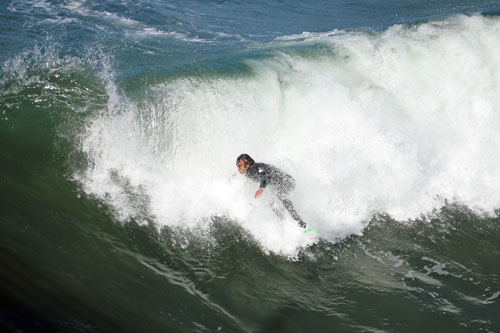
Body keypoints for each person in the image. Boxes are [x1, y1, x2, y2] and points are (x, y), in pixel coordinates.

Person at [236, 153, 306, 228]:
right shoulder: (248, 173)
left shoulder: (256, 167)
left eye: (240, 165)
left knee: (280, 195)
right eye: (238, 165)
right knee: (272, 202)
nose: (238, 168)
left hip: (287, 181)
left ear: (248, 164)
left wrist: (261, 188)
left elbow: (263, 176)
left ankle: (301, 223)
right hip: (278, 184)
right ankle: (284, 221)